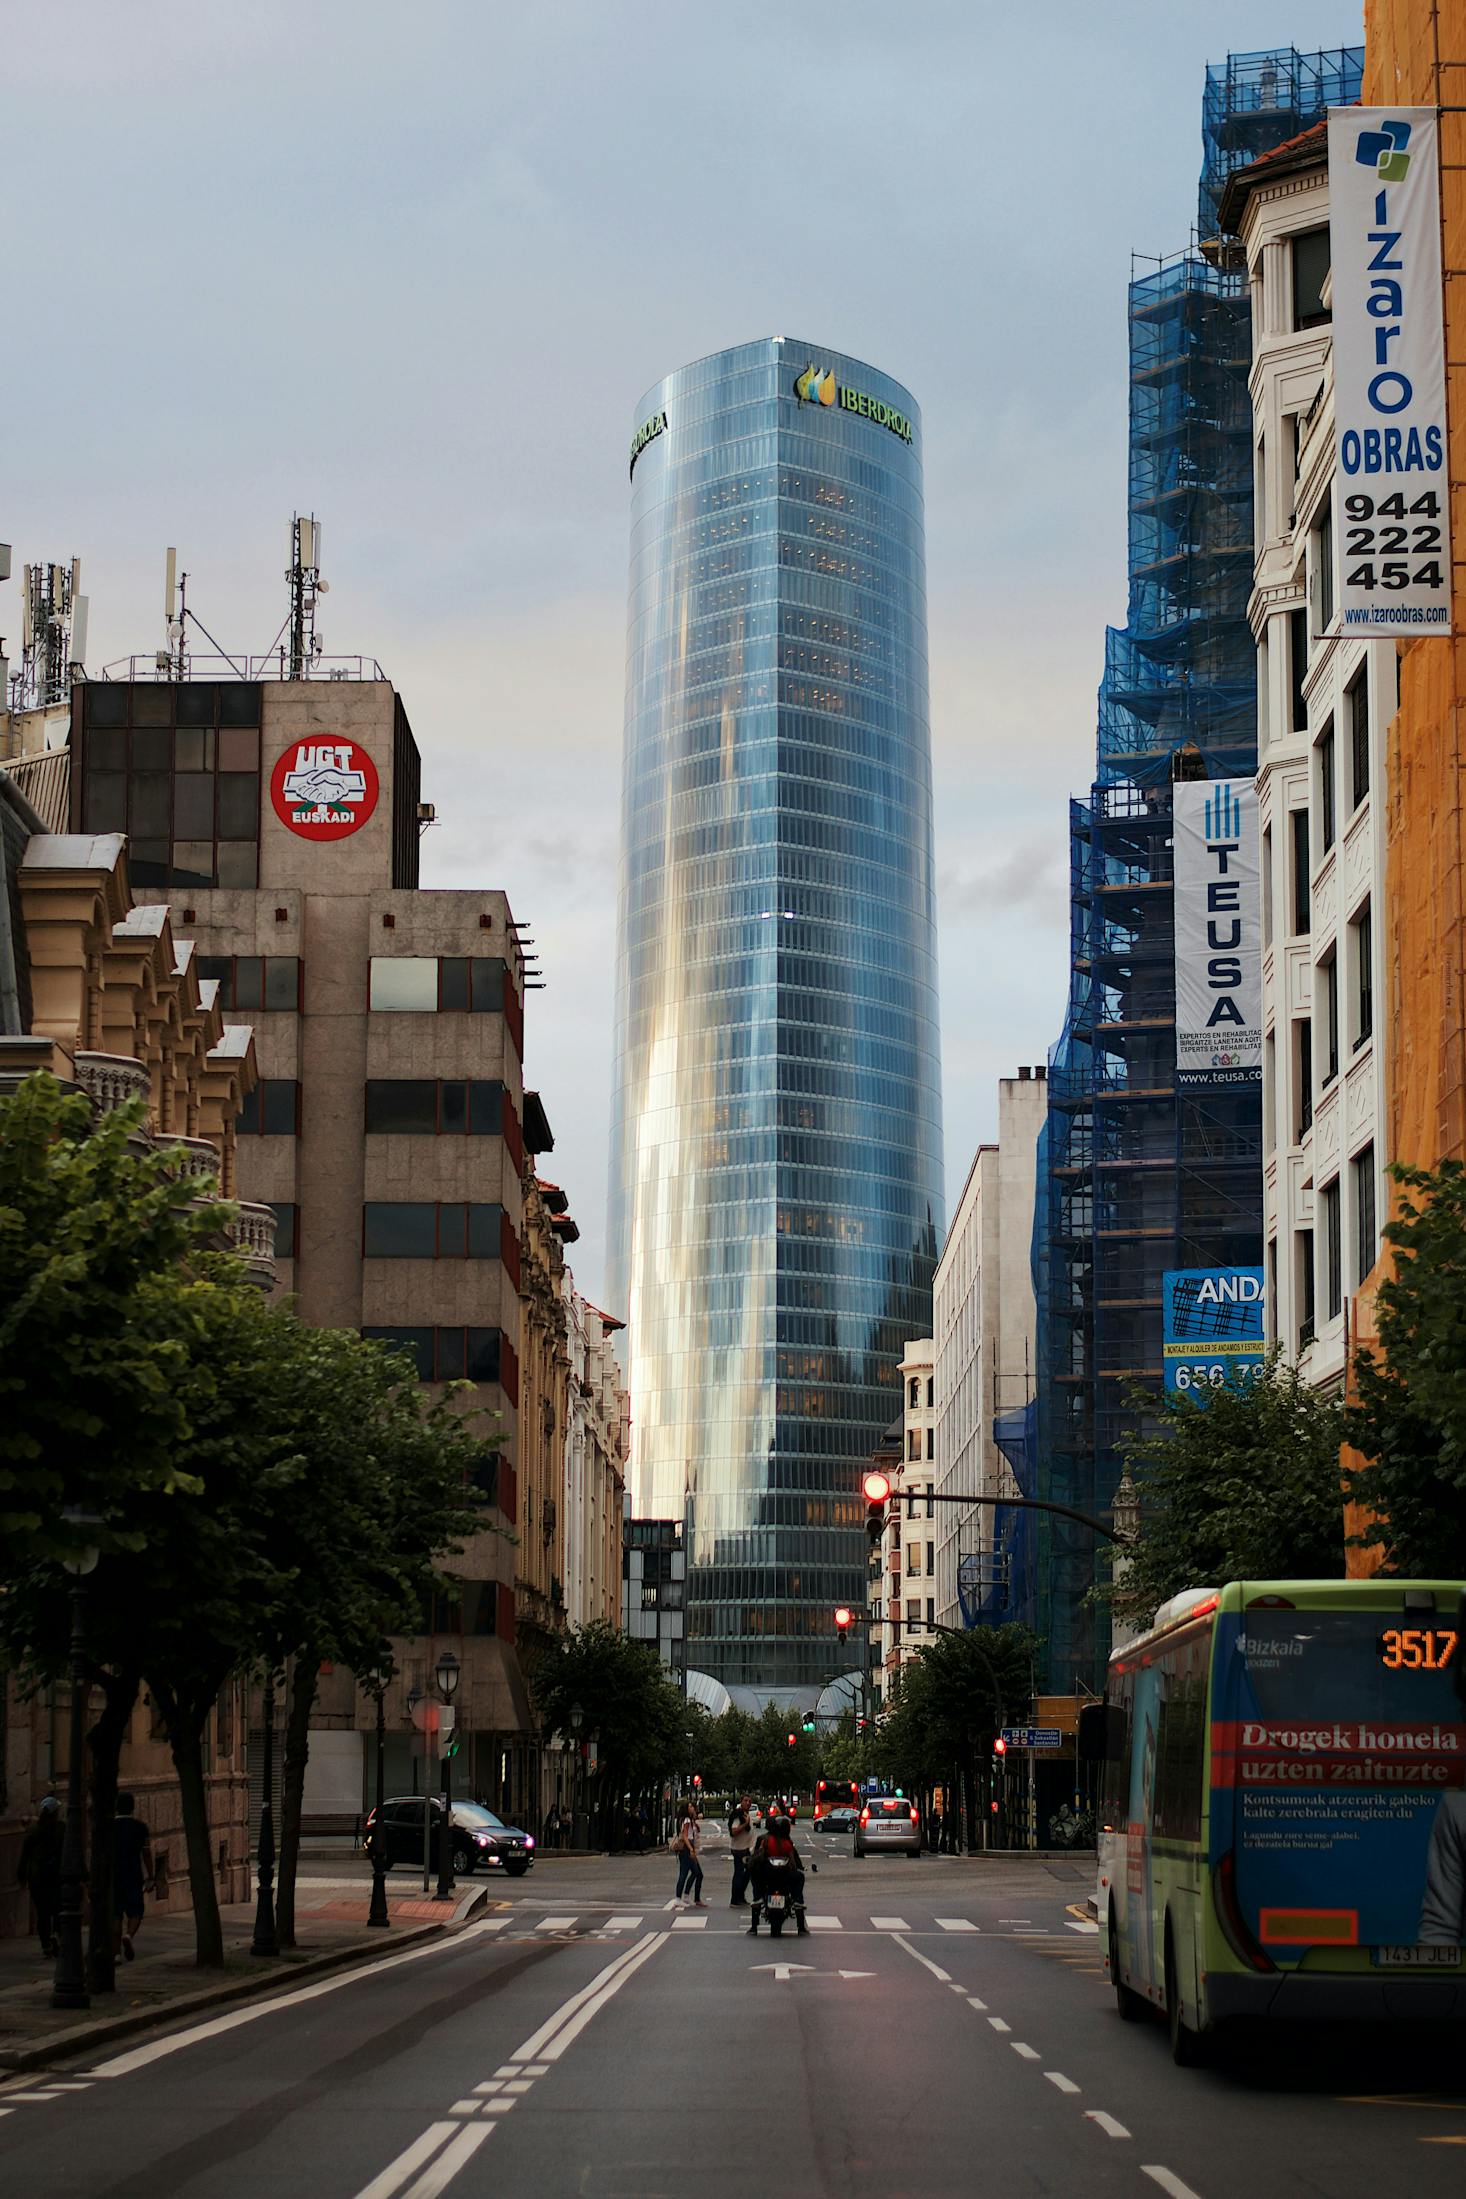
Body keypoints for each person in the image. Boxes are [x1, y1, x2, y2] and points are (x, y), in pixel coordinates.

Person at [17, 1796, 63, 1958]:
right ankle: (56, 1934)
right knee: (58, 1907)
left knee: (42, 1912)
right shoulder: (60, 1828)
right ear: (55, 1812)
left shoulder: (33, 1830)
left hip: (37, 1876)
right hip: (55, 1874)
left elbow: (25, 1856)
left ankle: (46, 1945)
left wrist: (21, 1876)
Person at [748, 1809, 806, 1936]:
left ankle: (754, 1924)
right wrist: (798, 1868)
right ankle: (800, 1921)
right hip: (785, 1877)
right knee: (799, 1880)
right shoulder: (787, 1842)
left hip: (767, 1876)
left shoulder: (764, 1839)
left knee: (755, 1881)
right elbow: (794, 1861)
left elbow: (755, 1858)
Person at [113, 1791, 154, 1961]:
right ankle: (129, 1935)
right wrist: (150, 1876)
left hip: (114, 1875)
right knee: (136, 1910)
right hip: (133, 1873)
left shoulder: (109, 1827)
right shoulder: (140, 1827)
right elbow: (146, 1853)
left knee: (115, 1913)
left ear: (116, 1807)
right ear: (132, 1807)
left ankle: (115, 1954)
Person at [674, 1799, 705, 1906]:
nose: (693, 1808)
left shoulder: (686, 1819)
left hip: (688, 1848)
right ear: (686, 1809)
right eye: (690, 1807)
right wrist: (691, 1849)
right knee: (684, 1873)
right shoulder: (686, 1820)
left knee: (696, 1872)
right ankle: (678, 1898)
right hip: (687, 1848)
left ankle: (686, 1896)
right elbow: (685, 1836)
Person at [727, 1796, 754, 1906]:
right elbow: (734, 1831)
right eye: (745, 1801)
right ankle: (735, 1899)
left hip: (746, 1848)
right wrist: (745, 1824)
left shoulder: (745, 1815)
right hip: (739, 1849)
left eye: (749, 1801)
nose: (748, 1803)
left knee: (747, 1873)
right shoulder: (738, 1815)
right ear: (741, 1802)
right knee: (739, 1874)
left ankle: (740, 1896)